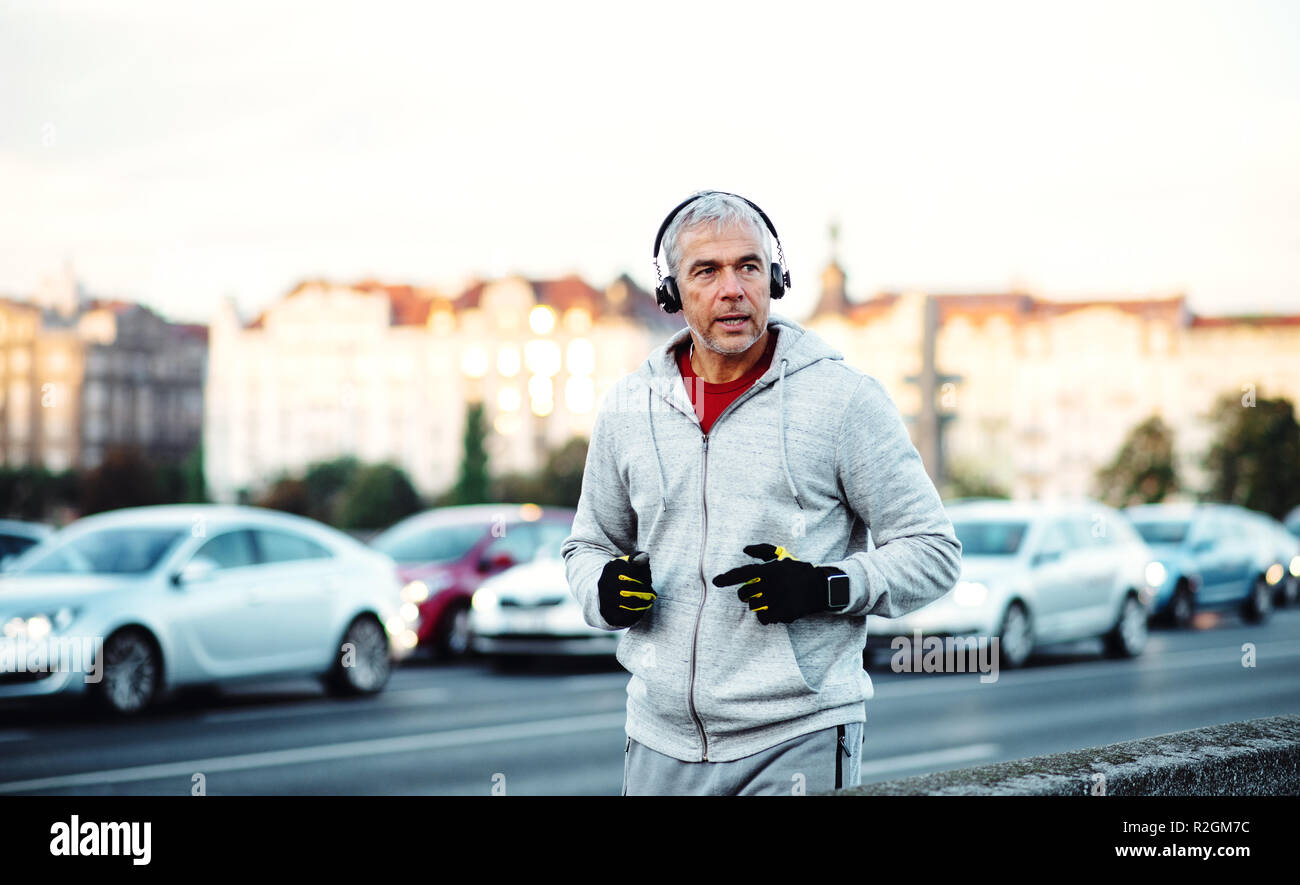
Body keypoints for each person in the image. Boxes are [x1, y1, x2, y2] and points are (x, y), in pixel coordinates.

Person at [560, 190, 962, 796]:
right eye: (707, 271)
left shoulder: (843, 399)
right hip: (657, 738)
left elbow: (934, 550)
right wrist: (604, 592)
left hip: (796, 733)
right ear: (672, 293)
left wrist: (827, 586)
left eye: (748, 266)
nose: (733, 288)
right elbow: (588, 544)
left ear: (773, 280)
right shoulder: (628, 407)